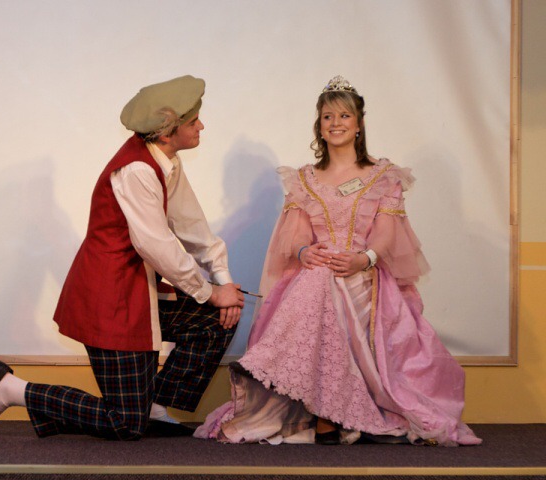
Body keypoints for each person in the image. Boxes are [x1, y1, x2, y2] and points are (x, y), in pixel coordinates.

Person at [194, 75, 482, 447]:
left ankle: (337, 411)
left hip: (365, 273)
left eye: (344, 116)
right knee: (317, 280)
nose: (336, 123)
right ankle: (322, 410)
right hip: (319, 271)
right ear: (319, 125)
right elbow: (296, 234)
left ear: (359, 124)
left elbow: (387, 231)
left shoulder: (383, 176)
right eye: (328, 117)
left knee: (325, 284)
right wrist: (304, 252)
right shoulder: (305, 179)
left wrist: (364, 258)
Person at [0, 75, 245, 441]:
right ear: (168, 133)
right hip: (112, 300)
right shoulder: (136, 170)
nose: (201, 126)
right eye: (193, 120)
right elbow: (157, 246)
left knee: (216, 321)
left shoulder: (166, 161)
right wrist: (210, 292)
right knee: (125, 425)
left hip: (141, 294)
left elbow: (192, 227)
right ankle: (11, 389)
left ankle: (151, 406)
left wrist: (224, 283)